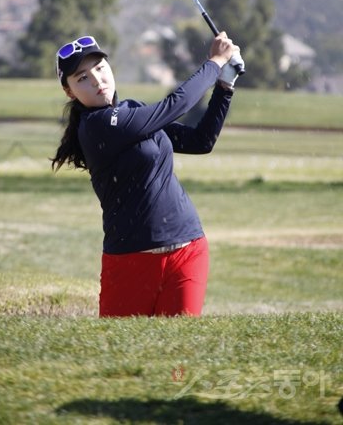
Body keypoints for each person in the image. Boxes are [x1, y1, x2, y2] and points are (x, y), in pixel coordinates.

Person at [52, 33, 243, 317]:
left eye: (100, 68)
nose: (96, 80)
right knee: (119, 345)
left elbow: (201, 141)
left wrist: (225, 86)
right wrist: (215, 63)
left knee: (180, 344)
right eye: (82, 78)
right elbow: (174, 106)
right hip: (130, 258)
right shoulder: (96, 126)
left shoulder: (134, 110)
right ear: (69, 92)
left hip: (187, 248)